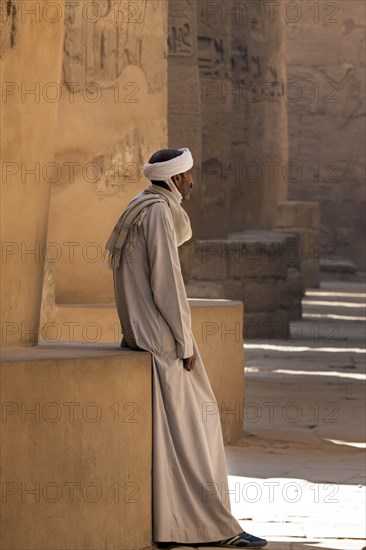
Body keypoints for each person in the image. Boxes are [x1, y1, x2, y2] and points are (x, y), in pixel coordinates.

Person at [105, 148, 267, 548]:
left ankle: (180, 526)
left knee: (176, 436)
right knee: (201, 431)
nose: (192, 182)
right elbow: (167, 283)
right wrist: (185, 341)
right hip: (162, 338)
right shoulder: (158, 212)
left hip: (143, 332)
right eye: (188, 176)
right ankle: (213, 528)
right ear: (175, 180)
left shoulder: (138, 206)